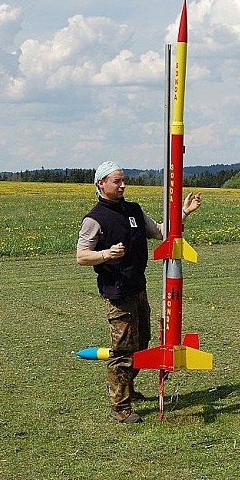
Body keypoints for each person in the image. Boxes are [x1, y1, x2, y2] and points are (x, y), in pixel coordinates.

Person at [76, 161, 201, 423]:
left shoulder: (133, 210)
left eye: (124, 180)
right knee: (123, 350)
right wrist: (106, 254)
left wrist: (184, 213)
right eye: (117, 181)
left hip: (138, 289)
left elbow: (160, 232)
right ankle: (120, 407)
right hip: (117, 293)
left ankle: (127, 388)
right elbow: (81, 256)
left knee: (141, 342)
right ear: (101, 184)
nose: (123, 185)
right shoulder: (94, 219)